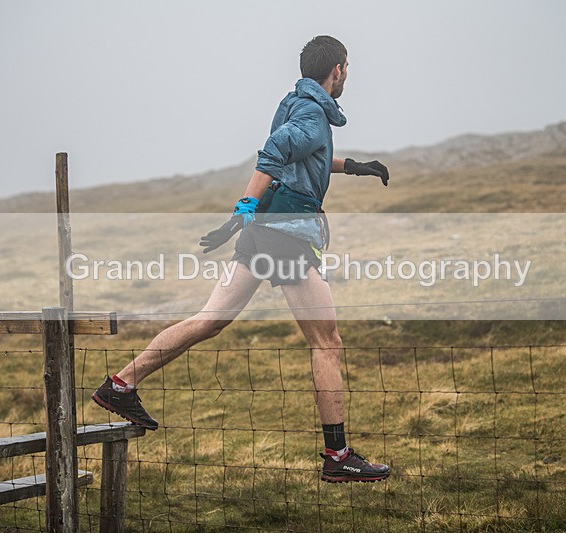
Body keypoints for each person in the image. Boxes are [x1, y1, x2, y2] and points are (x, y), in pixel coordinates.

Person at [92, 35, 391, 483]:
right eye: (348, 67)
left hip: (265, 231)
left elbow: (300, 154)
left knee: (210, 319)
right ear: (339, 70)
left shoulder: (294, 103)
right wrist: (243, 208)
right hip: (287, 233)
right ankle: (338, 454)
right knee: (326, 342)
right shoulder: (311, 113)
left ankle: (120, 384)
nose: (348, 74)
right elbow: (273, 155)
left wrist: (353, 166)